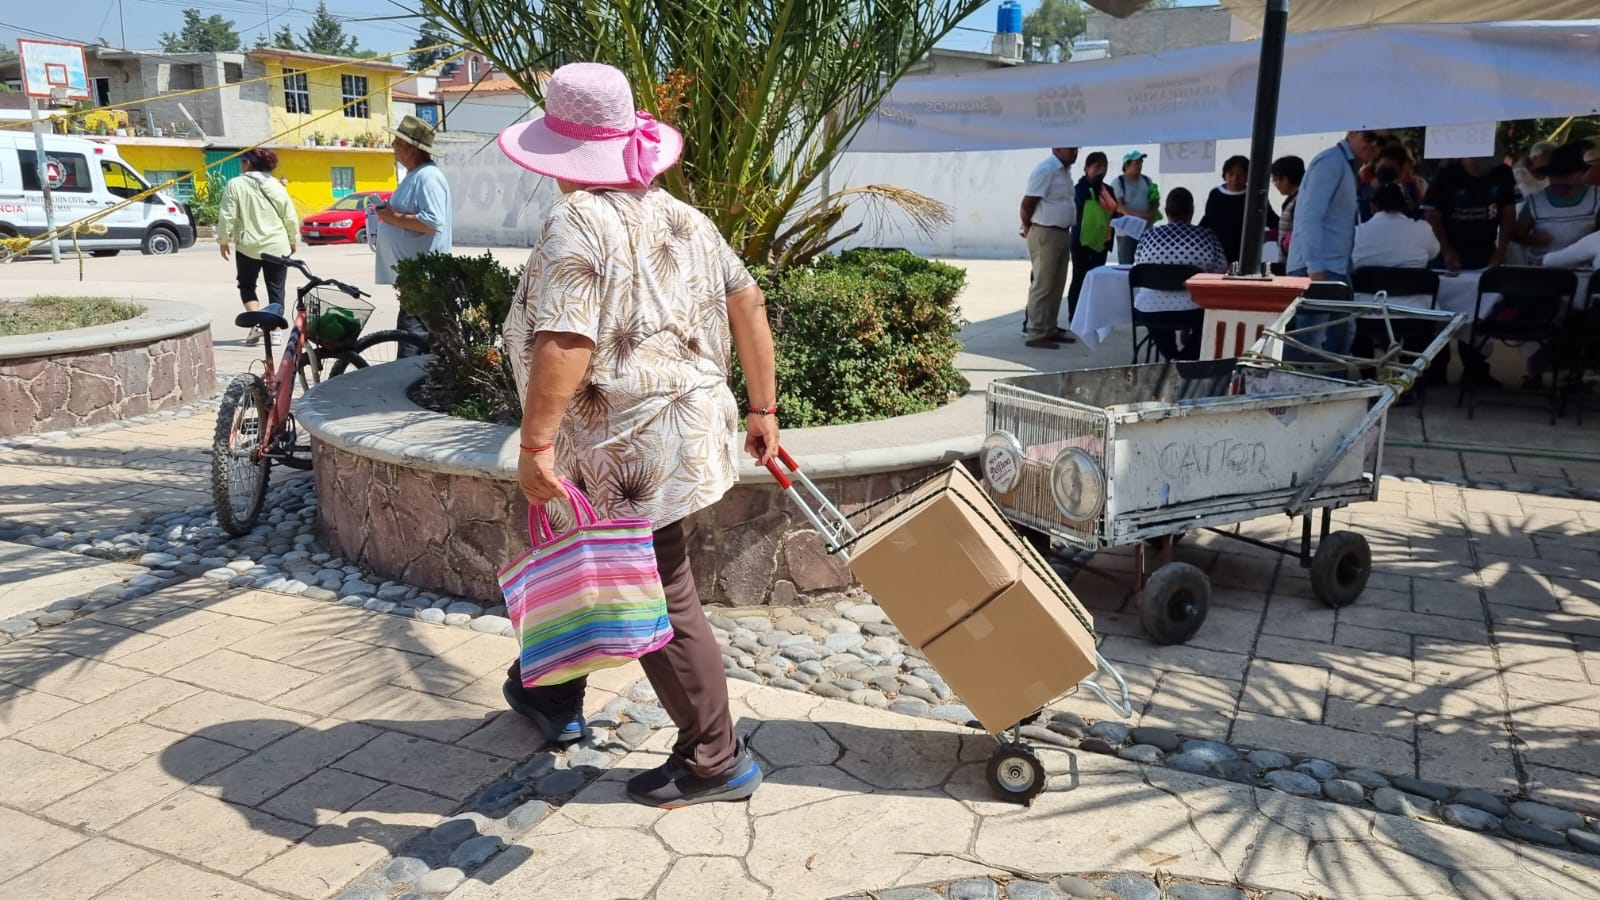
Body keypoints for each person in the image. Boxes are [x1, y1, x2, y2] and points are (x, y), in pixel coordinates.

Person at [496, 62, 778, 808]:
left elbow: (566, 341)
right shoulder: (683, 216)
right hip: (681, 430)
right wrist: (764, 410)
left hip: (626, 447)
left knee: (656, 585)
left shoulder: (577, 219)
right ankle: (549, 694)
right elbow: (748, 301)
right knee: (588, 557)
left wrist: (534, 447)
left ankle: (716, 757)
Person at [1287, 130, 1381, 354]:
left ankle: (1324, 387)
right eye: (1370, 136)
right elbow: (1309, 218)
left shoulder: (1344, 165)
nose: (1375, 144)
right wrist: (1315, 270)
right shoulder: (1331, 162)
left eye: (1381, 141)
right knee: (1309, 347)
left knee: (1334, 346)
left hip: (1332, 269)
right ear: (1353, 133)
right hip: (1318, 270)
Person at [374, 114, 453, 358]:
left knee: (413, 340)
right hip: (414, 279)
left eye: (396, 142)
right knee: (418, 338)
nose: (393, 147)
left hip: (424, 278)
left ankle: (410, 388)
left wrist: (391, 218)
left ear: (410, 147)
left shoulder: (428, 177)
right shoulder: (416, 176)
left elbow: (432, 221)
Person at [1132, 188, 1228, 362]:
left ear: (1166, 212)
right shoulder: (1206, 236)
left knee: (1156, 308)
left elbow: (1139, 267)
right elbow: (1221, 271)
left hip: (1150, 310)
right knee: (1210, 316)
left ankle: (1171, 355)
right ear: (1191, 211)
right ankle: (1187, 357)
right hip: (1193, 310)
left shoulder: (1148, 236)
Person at [216, 148, 297, 344]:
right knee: (276, 288)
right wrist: (293, 239)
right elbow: (290, 216)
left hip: (248, 246)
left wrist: (223, 240)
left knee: (246, 285)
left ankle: (257, 324)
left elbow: (227, 214)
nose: (241, 165)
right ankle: (276, 331)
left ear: (249, 163)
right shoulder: (276, 186)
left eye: (243, 161)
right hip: (278, 245)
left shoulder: (235, 184)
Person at [1019, 146, 1080, 348]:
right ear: (1057, 148)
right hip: (1045, 232)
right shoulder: (1045, 169)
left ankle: (1050, 328)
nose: (1074, 152)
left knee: (1056, 284)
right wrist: (1028, 226)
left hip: (1061, 232)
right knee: (1043, 285)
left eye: (1076, 148)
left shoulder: (1063, 172)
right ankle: (1036, 332)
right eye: (1070, 148)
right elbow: (1027, 204)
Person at [1513, 142, 1600, 266]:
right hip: (1543, 268)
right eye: (1554, 176)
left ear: (1581, 174)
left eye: (1567, 176)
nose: (1560, 181)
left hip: (1582, 269)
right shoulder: (1536, 201)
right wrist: (1533, 240)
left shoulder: (1596, 198)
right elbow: (1516, 233)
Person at [1066, 151, 1112, 320]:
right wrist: (1096, 184)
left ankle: (1093, 315)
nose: (1101, 170)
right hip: (1082, 242)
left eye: (1104, 166)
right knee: (1080, 278)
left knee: (1097, 279)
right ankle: (1075, 316)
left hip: (1102, 241)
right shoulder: (1079, 189)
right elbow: (1083, 203)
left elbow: (1114, 212)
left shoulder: (1109, 190)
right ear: (1086, 168)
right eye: (1097, 166)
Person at [1353, 182, 1440, 270]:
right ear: (1404, 207)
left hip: (1368, 283)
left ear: (1372, 206)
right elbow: (1433, 253)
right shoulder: (1423, 230)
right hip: (1410, 283)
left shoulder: (1355, 234)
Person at [1109, 150, 1158, 264]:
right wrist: (1142, 216)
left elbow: (1154, 200)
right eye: (1137, 163)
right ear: (1127, 165)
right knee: (1126, 265)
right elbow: (1119, 207)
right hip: (1126, 233)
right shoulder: (1118, 182)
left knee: (1146, 264)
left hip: (1146, 231)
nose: (1140, 166)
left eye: (1141, 162)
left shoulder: (1147, 180)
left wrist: (1151, 213)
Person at [1200, 155, 1250, 266]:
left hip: (1243, 251)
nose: (1235, 179)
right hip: (1216, 250)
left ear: (1248, 176)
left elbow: (1269, 219)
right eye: (1231, 174)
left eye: (1240, 175)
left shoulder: (1252, 196)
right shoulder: (1216, 194)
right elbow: (1207, 218)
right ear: (1225, 175)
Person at [1271, 155, 1305, 257]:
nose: (1275, 184)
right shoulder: (1290, 201)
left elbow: (1301, 231)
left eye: (1275, 180)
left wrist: (1285, 244)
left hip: (1295, 262)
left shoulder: (1299, 202)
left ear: (1285, 179)